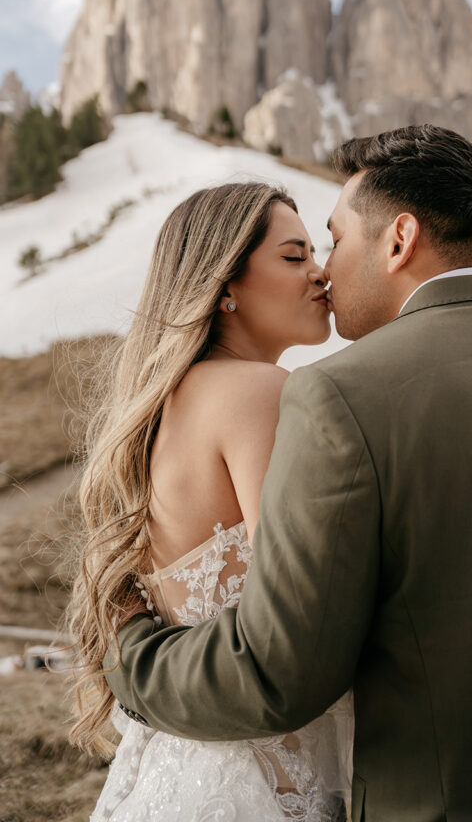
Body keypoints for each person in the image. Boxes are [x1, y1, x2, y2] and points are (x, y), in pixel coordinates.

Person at [106, 125, 472, 822]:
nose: (325, 270)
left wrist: (130, 655)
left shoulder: (342, 397)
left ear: (400, 239)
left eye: (336, 241)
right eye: (303, 253)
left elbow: (280, 667)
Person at [67, 182, 352, 822]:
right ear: (225, 284)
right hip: (266, 782)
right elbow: (305, 606)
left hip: (176, 770)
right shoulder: (262, 393)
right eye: (293, 256)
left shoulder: (160, 410)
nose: (320, 272)